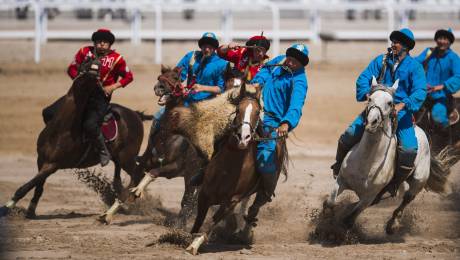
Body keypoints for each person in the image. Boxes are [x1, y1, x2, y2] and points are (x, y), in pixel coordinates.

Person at [330, 28, 427, 197]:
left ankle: (394, 183)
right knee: (348, 135)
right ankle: (338, 167)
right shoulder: (380, 61)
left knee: (409, 150)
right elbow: (363, 77)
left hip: (400, 115)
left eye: (397, 42)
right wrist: (367, 93)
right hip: (375, 110)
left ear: (406, 46)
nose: (393, 44)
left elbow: (420, 91)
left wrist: (403, 105)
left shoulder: (415, 67)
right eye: (393, 41)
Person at [44, 28, 133, 166]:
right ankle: (54, 140)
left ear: (110, 44)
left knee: (90, 125)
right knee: (48, 112)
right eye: (99, 41)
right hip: (78, 95)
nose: (102, 44)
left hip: (99, 99)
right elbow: (71, 68)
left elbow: (129, 77)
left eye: (105, 42)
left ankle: (103, 151)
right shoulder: (84, 52)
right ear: (95, 42)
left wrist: (112, 87)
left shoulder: (117, 59)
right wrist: (79, 79)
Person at [148, 32, 228, 154]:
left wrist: (202, 88)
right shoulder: (191, 57)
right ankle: (149, 151)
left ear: (215, 48)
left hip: (207, 106)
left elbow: (220, 88)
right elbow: (177, 76)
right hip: (186, 101)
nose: (207, 48)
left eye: (210, 46)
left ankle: (209, 159)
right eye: (204, 45)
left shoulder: (221, 64)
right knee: (158, 117)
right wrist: (178, 88)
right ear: (201, 46)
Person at [249, 43, 309, 203]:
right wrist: (257, 82)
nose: (290, 63)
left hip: (272, 121)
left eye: (295, 62)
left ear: (301, 64)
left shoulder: (300, 81)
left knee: (264, 158)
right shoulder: (280, 61)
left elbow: (296, 105)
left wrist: (286, 124)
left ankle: (265, 193)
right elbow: (265, 70)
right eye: (289, 58)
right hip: (254, 109)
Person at [415, 28, 460, 129]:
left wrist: (442, 86)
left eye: (445, 39)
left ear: (450, 42)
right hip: (424, 94)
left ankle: (446, 141)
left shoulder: (454, 57)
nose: (442, 41)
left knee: (438, 117)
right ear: (436, 40)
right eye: (440, 38)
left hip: (442, 97)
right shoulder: (429, 52)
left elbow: (458, 76)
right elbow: (416, 63)